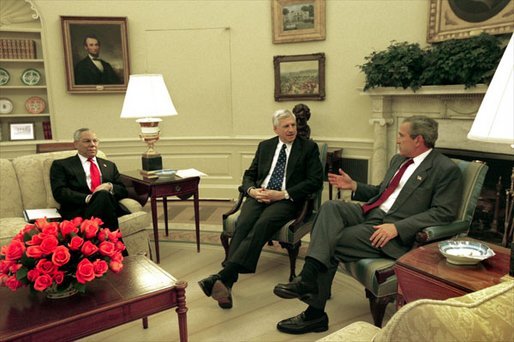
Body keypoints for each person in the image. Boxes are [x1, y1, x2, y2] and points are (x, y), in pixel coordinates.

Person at [273, 115, 464, 334]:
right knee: (331, 207)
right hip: (371, 212)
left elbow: (444, 212)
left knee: (330, 241)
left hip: (391, 231)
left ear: (418, 140)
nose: (397, 140)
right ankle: (308, 280)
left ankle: (314, 312)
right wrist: (354, 185)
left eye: (401, 136)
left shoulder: (445, 169)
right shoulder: (398, 160)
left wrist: (398, 228)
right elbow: (382, 193)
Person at [198, 109, 324, 309]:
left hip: (287, 199)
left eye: (293, 125)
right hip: (260, 195)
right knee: (244, 223)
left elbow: (315, 181)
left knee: (263, 224)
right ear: (276, 129)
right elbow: (250, 174)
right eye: (286, 126)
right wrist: (252, 191)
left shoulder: (308, 148)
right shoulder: (265, 146)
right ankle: (225, 283)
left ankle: (223, 277)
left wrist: (282, 194)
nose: (292, 129)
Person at [50, 128, 129, 231]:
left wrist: (109, 186)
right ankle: (113, 241)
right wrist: (89, 198)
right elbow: (60, 192)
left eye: (95, 141)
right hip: (79, 208)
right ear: (76, 144)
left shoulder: (109, 165)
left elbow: (123, 190)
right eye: (87, 141)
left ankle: (98, 238)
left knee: (103, 195)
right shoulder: (61, 165)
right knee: (102, 196)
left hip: (107, 204)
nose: (92, 144)